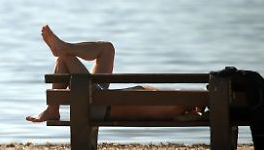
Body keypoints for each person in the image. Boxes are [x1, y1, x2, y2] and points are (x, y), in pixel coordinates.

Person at [26, 25, 203, 123]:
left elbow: (187, 113)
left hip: (97, 104)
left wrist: (195, 112)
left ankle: (53, 108)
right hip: (101, 98)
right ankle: (65, 48)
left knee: (65, 58)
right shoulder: (174, 103)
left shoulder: (175, 107)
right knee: (107, 48)